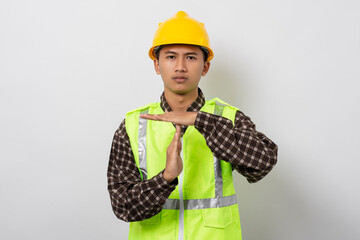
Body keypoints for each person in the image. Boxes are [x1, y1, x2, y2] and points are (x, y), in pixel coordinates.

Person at [107, 11, 278, 240]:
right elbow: (123, 206)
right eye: (170, 57)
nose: (180, 66)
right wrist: (166, 178)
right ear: (157, 65)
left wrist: (201, 120)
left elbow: (262, 163)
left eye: (190, 57)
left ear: (205, 67)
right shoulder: (132, 125)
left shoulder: (227, 117)